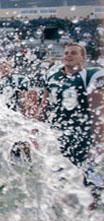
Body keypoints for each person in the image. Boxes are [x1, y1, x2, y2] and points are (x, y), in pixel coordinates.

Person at [41, 43, 104, 207]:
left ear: (83, 57)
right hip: (58, 136)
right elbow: (45, 105)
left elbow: (98, 110)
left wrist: (99, 139)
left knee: (88, 180)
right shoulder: (52, 77)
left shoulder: (89, 75)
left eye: (74, 53)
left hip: (83, 136)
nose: (68, 55)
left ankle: (90, 219)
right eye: (66, 53)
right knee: (59, 179)